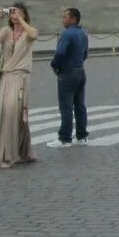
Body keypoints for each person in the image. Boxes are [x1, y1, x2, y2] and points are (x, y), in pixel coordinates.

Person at [0, 3, 39, 169]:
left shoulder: (28, 31)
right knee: (8, 113)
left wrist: (21, 21)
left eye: (18, 12)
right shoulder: (7, 31)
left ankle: (9, 154)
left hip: (20, 77)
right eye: (12, 11)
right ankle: (23, 152)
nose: (14, 14)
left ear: (25, 15)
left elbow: (33, 34)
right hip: (6, 76)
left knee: (14, 113)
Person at [48, 8, 89, 149]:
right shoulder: (83, 33)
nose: (63, 19)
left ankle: (65, 138)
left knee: (66, 107)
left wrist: (54, 65)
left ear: (73, 19)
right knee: (80, 105)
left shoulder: (67, 34)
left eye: (65, 17)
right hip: (80, 71)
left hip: (67, 73)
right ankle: (82, 136)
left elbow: (60, 53)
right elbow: (85, 54)